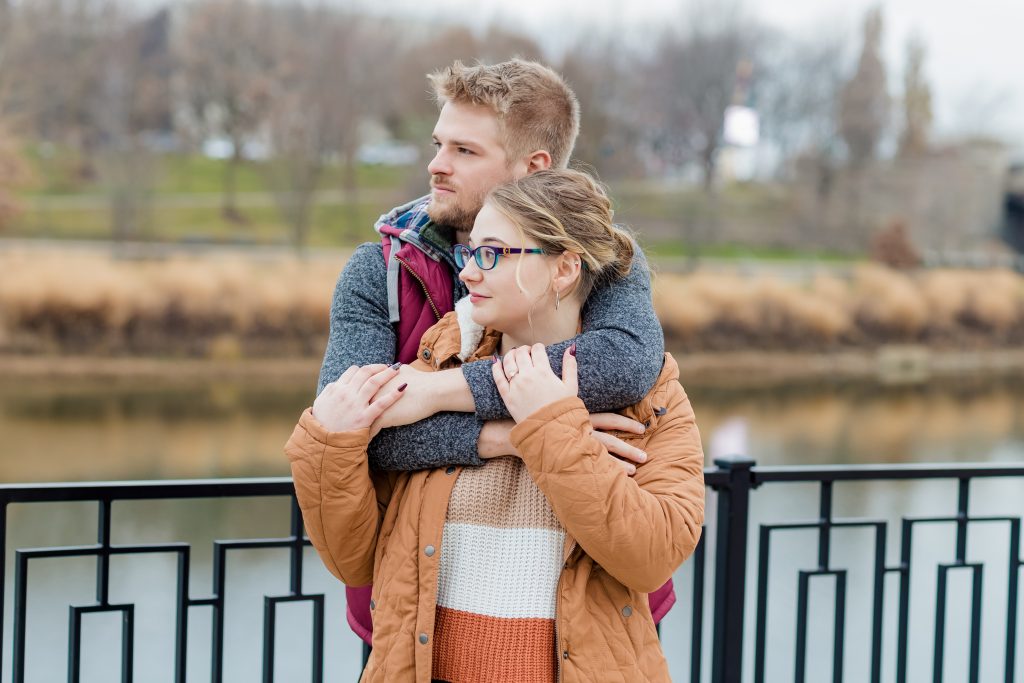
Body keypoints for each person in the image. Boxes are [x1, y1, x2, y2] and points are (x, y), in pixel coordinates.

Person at [288, 168, 705, 682]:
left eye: (492, 253)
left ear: (564, 269)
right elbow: (352, 560)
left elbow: (651, 557)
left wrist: (549, 426)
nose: (467, 273)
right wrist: (330, 441)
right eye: (469, 253)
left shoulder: (650, 398)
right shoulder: (435, 368)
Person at [317, 58, 675, 645]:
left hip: (594, 609)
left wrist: (434, 392)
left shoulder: (595, 257)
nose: (435, 165)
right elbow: (353, 425)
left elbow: (622, 367)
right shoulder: (378, 272)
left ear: (532, 167)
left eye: (464, 150)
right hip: (415, 607)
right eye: (438, 144)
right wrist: (511, 437)